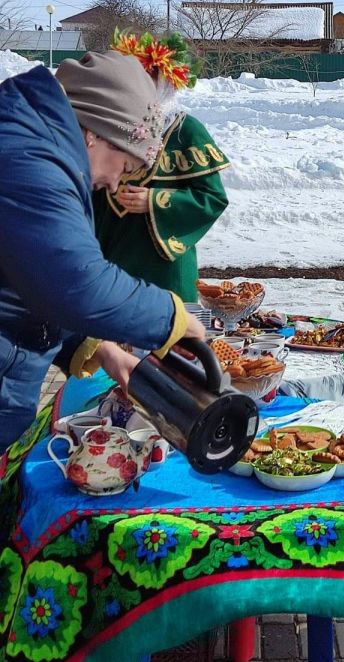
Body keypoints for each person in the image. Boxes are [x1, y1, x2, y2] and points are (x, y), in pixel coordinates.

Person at [0, 51, 206, 452]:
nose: (114, 183)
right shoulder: (30, 162)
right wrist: (174, 318)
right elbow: (75, 285)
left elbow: (30, 276)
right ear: (95, 131)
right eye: (124, 165)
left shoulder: (32, 141)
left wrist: (97, 348)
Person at [93, 31, 230, 303]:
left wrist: (156, 201)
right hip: (111, 253)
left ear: (167, 82)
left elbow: (212, 199)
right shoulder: (105, 128)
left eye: (149, 78)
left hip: (166, 268)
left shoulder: (185, 132)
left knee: (171, 338)